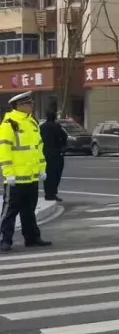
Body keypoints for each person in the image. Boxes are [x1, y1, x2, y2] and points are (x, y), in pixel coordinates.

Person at [0, 92, 50, 252]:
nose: (32, 106)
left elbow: (38, 148)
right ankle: (5, 240)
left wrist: (42, 169)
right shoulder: (9, 124)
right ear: (19, 106)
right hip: (16, 178)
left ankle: (32, 238)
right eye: (29, 103)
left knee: (29, 210)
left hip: (31, 176)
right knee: (10, 211)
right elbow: (4, 151)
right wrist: (8, 173)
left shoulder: (32, 123)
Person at [40, 109, 67, 202]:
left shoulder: (41, 127)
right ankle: (52, 193)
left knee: (47, 175)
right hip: (56, 154)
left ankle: (48, 193)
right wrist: (63, 147)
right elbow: (64, 136)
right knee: (56, 174)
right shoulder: (57, 126)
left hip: (44, 154)